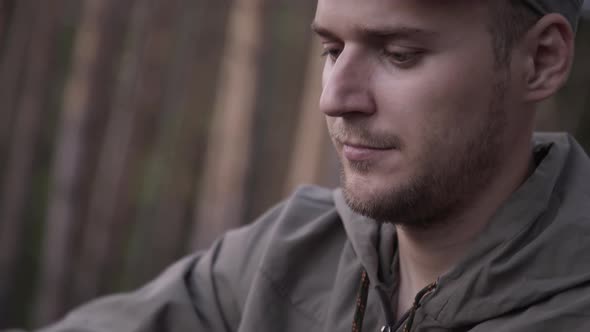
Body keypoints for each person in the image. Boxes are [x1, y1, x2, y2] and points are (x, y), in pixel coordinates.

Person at [9, 0, 590, 331]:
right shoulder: (290, 252)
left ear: (540, 60)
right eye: (332, 51)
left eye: (400, 54)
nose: (334, 98)